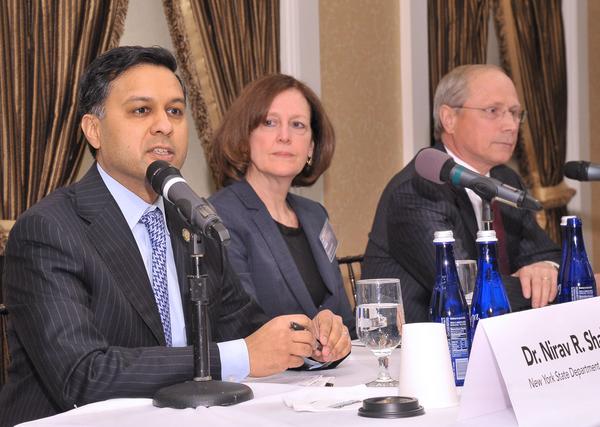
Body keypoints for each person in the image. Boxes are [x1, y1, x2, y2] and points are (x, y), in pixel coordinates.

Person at [0, 47, 350, 426]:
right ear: (94, 130)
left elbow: (246, 329)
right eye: (141, 110)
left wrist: (309, 341)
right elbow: (83, 374)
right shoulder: (49, 231)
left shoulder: (192, 219)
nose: (164, 125)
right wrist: (239, 356)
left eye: (175, 111)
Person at [362, 64, 561, 323]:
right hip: (418, 351)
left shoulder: (504, 179)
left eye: (515, 113)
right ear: (449, 118)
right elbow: (465, 289)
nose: (511, 125)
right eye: (493, 111)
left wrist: (547, 270)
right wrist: (551, 288)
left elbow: (548, 254)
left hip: (490, 339)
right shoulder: (417, 189)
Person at [209, 74, 355, 335]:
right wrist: (314, 340)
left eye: (298, 125)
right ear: (245, 137)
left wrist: (338, 337)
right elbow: (242, 326)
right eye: (270, 123)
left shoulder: (315, 215)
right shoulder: (219, 216)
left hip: (326, 373)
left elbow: (344, 319)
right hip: (260, 375)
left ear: (311, 146)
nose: (285, 136)